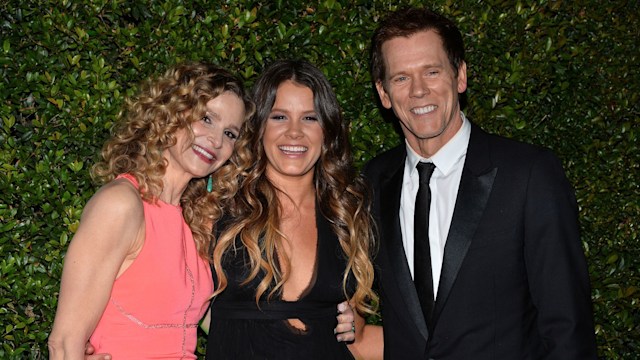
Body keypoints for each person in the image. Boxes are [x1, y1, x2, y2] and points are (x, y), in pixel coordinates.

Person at [360, 6, 598, 359]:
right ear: (383, 93)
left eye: (432, 71)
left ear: (460, 76)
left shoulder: (529, 174)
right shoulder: (373, 181)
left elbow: (567, 327)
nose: (419, 91)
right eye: (401, 78)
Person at [48, 62, 254, 359]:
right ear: (172, 114)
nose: (217, 140)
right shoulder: (121, 205)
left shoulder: (197, 222)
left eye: (230, 133)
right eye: (206, 118)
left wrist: (315, 318)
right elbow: (65, 343)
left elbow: (218, 322)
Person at [204, 59, 378, 359]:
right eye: (279, 117)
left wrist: (358, 328)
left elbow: (366, 340)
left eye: (310, 118)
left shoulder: (348, 215)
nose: (294, 132)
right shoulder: (218, 205)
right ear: (258, 127)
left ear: (327, 130)